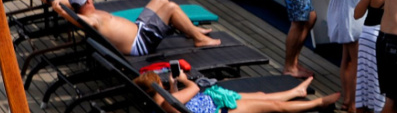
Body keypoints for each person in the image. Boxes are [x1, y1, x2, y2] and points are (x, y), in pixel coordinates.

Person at [40, 0, 221, 55]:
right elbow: (77, 20)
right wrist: (61, 12)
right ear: (88, 1)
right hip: (141, 42)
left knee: (160, 0)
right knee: (171, 7)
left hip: (139, 28)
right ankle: (199, 39)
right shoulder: (90, 19)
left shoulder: (81, 9)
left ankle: (191, 30)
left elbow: (66, 2)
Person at [133, 69, 339, 113]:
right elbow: (195, 87)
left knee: (261, 97)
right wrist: (184, 80)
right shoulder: (167, 101)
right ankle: (318, 103)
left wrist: (173, 86)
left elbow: (178, 102)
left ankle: (296, 92)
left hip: (213, 103)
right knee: (275, 106)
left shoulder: (156, 105)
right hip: (220, 109)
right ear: (158, 86)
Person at [353, 0, 397, 113]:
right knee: (380, 81)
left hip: (367, 37)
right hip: (384, 38)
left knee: (364, 79)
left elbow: (357, 14)